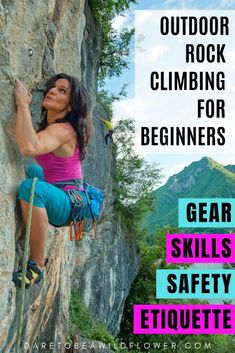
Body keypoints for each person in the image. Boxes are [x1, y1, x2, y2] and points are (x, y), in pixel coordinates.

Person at [13, 73, 93, 288]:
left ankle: (37, 265)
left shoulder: (63, 130)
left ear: (70, 106)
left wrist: (22, 104)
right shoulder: (53, 127)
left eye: (62, 91)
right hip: (65, 192)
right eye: (53, 87)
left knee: (31, 188)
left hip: (69, 202)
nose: (52, 91)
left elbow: (28, 147)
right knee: (32, 171)